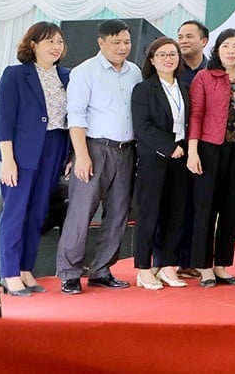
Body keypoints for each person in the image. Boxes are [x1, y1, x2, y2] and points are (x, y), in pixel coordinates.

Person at [56, 19, 143, 294]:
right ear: (101, 42)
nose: (122, 47)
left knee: (118, 214)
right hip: (93, 149)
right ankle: (69, 273)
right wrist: (80, 156)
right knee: (81, 213)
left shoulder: (135, 72)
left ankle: (101, 270)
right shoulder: (85, 72)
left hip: (126, 151)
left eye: (126, 42)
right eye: (116, 41)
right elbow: (76, 116)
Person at [0, 22, 72, 296]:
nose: (56, 47)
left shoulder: (67, 76)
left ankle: (26, 269)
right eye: (49, 41)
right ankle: (9, 273)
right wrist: (7, 159)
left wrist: (71, 154)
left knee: (38, 212)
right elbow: (4, 118)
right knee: (15, 212)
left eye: (60, 42)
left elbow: (72, 118)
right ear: (33, 45)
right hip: (20, 152)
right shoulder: (16, 75)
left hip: (54, 150)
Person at [186, 28, 235, 287]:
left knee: (231, 209)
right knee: (206, 208)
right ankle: (204, 266)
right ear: (217, 50)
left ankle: (222, 265)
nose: (231, 51)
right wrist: (193, 151)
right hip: (209, 150)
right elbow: (196, 114)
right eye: (226, 46)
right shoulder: (204, 77)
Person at [130, 37, 191, 290]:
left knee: (176, 214)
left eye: (173, 54)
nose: (169, 58)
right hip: (154, 158)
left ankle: (168, 266)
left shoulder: (184, 88)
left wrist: (183, 150)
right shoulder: (144, 89)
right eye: (163, 54)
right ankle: (144, 269)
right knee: (149, 214)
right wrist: (169, 148)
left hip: (181, 158)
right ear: (152, 60)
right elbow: (142, 126)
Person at [172, 20, 209, 280]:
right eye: (180, 36)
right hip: (175, 148)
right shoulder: (172, 69)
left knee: (200, 206)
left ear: (204, 41)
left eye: (189, 36)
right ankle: (167, 260)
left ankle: (192, 260)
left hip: (206, 147)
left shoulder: (214, 70)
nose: (183, 40)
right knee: (175, 205)